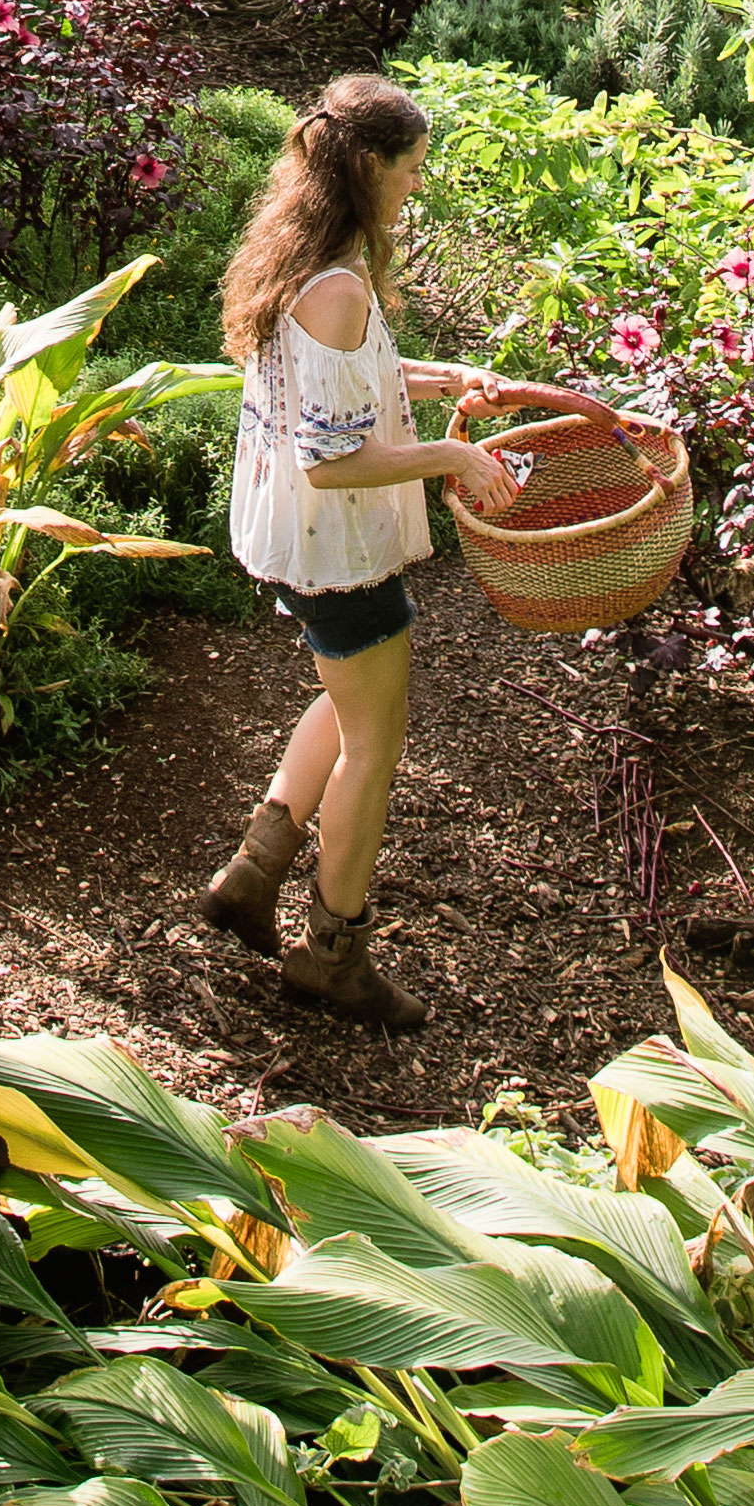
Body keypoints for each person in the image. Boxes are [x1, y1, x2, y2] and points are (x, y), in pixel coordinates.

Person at [203, 68, 459, 1030]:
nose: (415, 185)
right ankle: (333, 956)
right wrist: (457, 459)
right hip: (333, 546)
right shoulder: (340, 286)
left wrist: (448, 379)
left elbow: (344, 390)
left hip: (296, 541)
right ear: (371, 168)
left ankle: (251, 876)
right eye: (410, 167)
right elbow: (336, 460)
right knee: (374, 746)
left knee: (345, 702)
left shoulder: (304, 256)